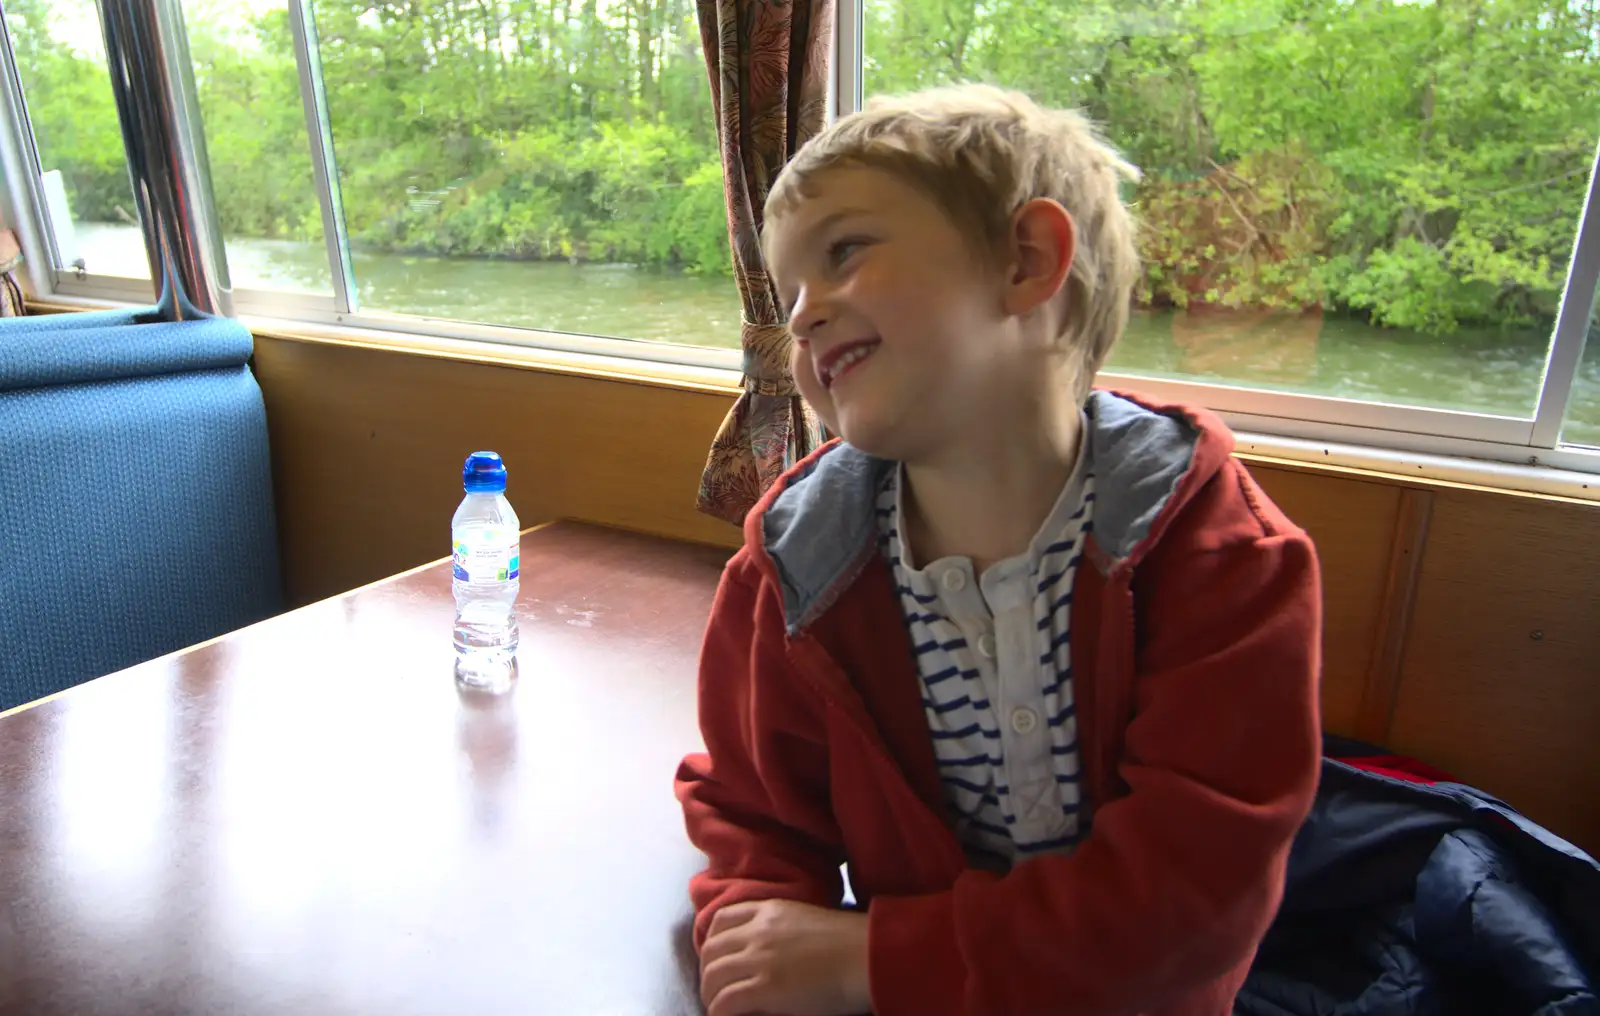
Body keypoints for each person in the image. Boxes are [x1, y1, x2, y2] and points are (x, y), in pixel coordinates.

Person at [674, 83, 1323, 1016]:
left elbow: (1190, 902)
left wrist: (875, 961)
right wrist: (759, 933)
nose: (803, 317)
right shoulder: (793, 571)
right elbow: (754, 812)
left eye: (845, 252)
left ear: (1027, 260)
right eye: (788, 295)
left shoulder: (1225, 561)